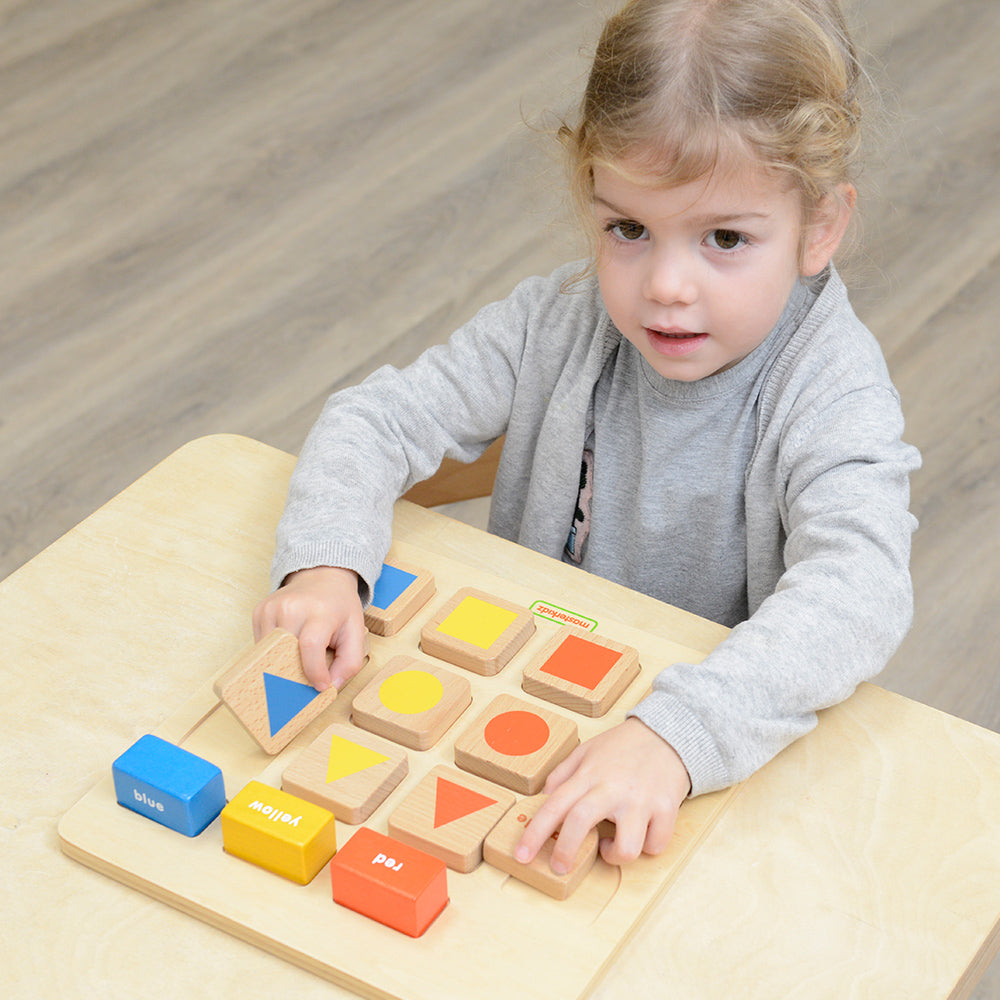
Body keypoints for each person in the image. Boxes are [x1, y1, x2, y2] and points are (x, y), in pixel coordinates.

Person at [253, 0, 920, 875]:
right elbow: (374, 419)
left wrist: (674, 737)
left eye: (724, 238)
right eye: (628, 230)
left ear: (819, 227)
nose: (667, 286)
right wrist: (324, 562)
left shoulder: (830, 389)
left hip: (692, 755)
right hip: (521, 702)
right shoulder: (558, 319)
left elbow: (860, 591)